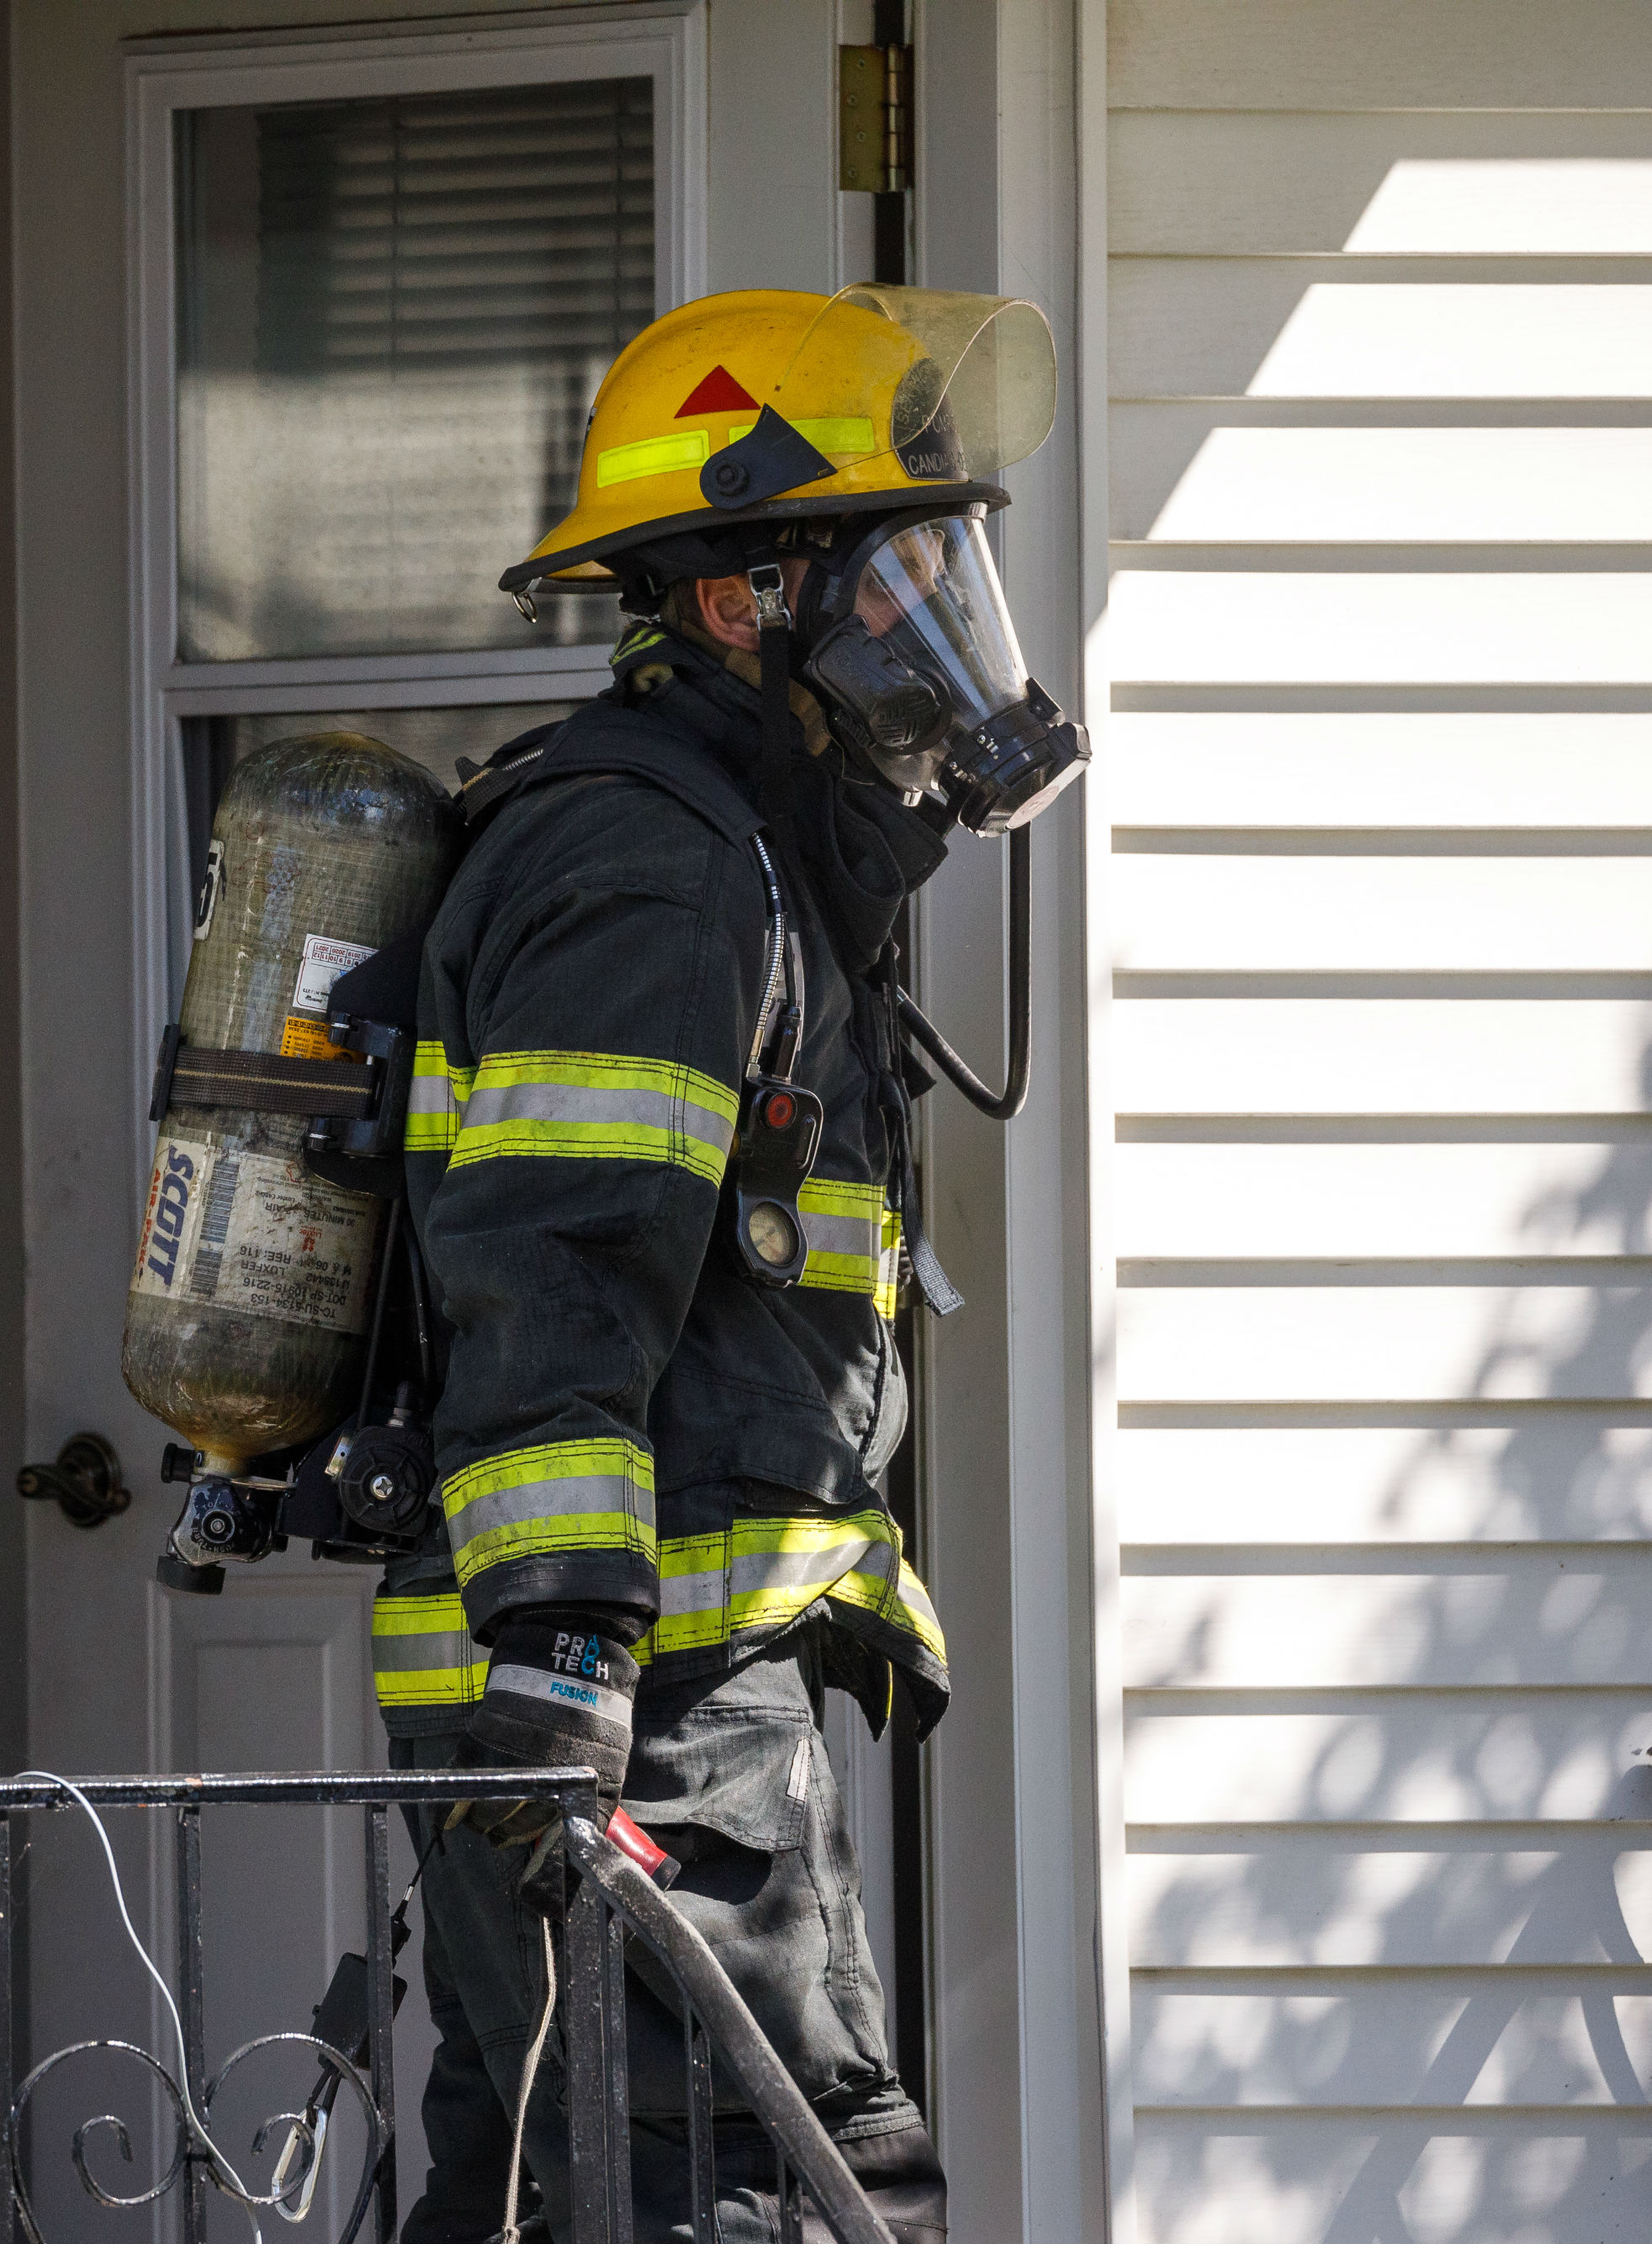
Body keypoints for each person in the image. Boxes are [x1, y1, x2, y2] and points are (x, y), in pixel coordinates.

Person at [369, 285, 1088, 2243]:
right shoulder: (652, 866)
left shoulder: (739, 857)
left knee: (550, 2189)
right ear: (735, 600)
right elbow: (556, 1263)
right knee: (773, 2190)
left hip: (642, 1686)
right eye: (889, 579)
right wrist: (566, 1654)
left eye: (943, 574)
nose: (934, 627)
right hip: (635, 1697)